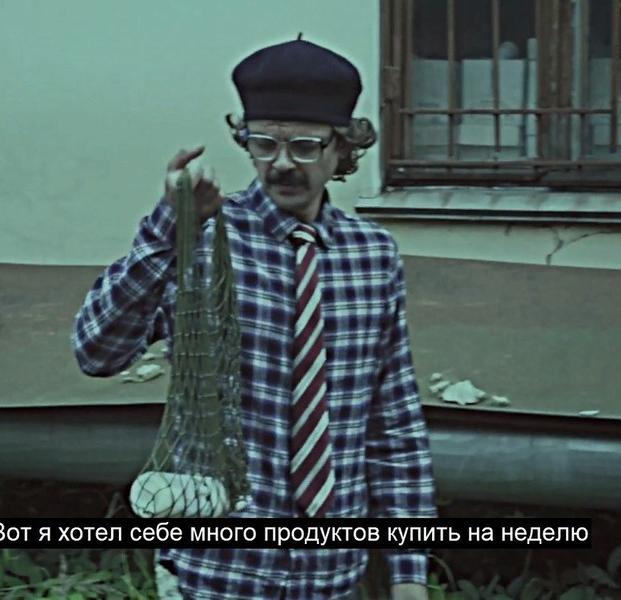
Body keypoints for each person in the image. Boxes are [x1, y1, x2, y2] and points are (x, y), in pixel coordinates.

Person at [71, 36, 437, 600]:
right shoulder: (201, 237)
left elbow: (393, 425)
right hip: (218, 572)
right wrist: (169, 227)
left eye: (306, 146)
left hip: (332, 575)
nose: (282, 163)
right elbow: (96, 351)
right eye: (264, 143)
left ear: (343, 147)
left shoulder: (373, 255)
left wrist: (408, 572)